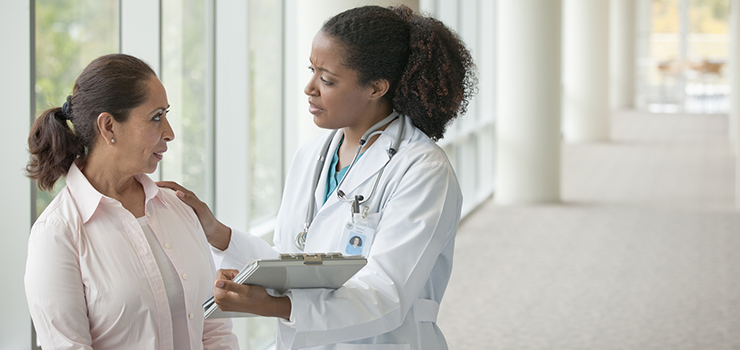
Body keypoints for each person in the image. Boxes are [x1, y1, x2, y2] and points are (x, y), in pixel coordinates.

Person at [161, 5, 476, 349]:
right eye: (311, 70)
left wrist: (275, 306)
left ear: (376, 88)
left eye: (326, 79)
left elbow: (386, 295)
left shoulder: (422, 169)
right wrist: (216, 232)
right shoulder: (312, 156)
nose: (310, 87)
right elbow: (291, 261)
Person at [24, 54, 239, 350]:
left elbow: (214, 331)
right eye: (156, 117)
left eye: (166, 114)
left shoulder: (178, 208)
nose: (170, 132)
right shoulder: (57, 234)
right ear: (109, 127)